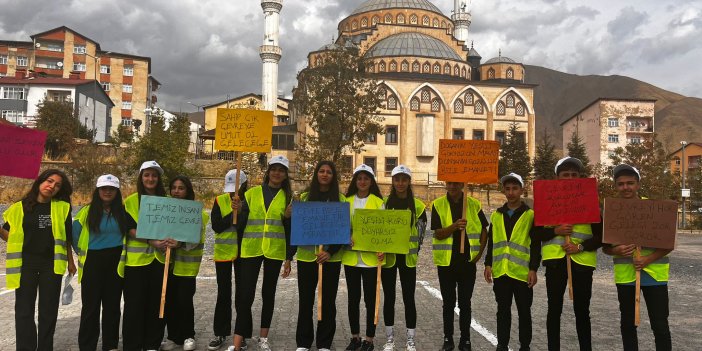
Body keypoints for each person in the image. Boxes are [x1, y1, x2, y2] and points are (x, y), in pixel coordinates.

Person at [1, 169, 75, 351]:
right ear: (40, 181)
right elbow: (8, 236)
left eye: (57, 185)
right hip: (26, 265)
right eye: (49, 181)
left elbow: (66, 238)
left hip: (51, 265)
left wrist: (71, 261)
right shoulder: (19, 207)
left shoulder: (62, 208)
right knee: (24, 311)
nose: (52, 186)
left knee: (48, 312)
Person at [534, 157, 602, 351]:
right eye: (566, 175)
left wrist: (580, 247)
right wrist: (555, 231)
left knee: (582, 311)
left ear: (580, 177)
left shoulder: (590, 202)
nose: (570, 178)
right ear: (557, 178)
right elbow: (535, 233)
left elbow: (601, 237)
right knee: (554, 310)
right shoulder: (546, 201)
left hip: (582, 264)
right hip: (555, 263)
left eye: (574, 175)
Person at [603, 164, 672, 351]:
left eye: (630, 183)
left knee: (660, 325)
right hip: (626, 277)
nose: (626, 187)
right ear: (616, 186)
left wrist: (648, 259)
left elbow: (668, 244)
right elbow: (605, 248)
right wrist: (616, 251)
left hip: (655, 276)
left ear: (638, 184)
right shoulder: (611, 211)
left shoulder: (654, 208)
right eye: (621, 184)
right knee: (627, 324)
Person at [230, 155, 294, 351]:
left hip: (274, 251)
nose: (277, 173)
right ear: (268, 172)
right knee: (245, 295)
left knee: (269, 293)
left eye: (281, 170)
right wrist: (239, 211)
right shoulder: (251, 194)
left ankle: (263, 338)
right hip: (251, 249)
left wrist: (289, 257)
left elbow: (291, 229)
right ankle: (238, 341)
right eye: (274, 169)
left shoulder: (289, 198)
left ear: (285, 175)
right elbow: (239, 226)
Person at [122, 161, 178, 351]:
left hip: (160, 260)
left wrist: (172, 242)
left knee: (157, 304)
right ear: (141, 177)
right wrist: (152, 241)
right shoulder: (130, 201)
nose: (150, 179)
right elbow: (129, 228)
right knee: (134, 305)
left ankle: (152, 343)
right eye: (147, 175)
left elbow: (174, 228)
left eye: (154, 175)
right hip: (136, 263)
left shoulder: (166, 201)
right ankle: (133, 345)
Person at [483, 173, 540, 351]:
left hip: (522, 272)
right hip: (501, 272)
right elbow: (492, 242)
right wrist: (488, 264)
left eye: (515, 188)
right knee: (503, 312)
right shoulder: (497, 215)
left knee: (524, 312)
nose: (511, 192)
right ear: (503, 191)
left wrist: (533, 269)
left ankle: (525, 346)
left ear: (521, 190)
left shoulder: (530, 215)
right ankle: (502, 345)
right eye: (507, 189)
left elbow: (536, 244)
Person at [431, 180, 488, 351]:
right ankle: (448, 339)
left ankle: (466, 340)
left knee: (465, 303)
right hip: (446, 263)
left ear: (462, 184)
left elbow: (484, 229)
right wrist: (454, 227)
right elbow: (438, 234)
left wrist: (479, 253)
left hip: (467, 263)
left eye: (456, 183)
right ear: (446, 184)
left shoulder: (473, 204)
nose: (453, 186)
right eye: (450, 183)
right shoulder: (438, 204)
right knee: (448, 303)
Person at [294, 161, 345, 351]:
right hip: (307, 258)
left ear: (333, 176)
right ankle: (303, 342)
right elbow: (295, 229)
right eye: (321, 171)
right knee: (305, 300)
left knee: (328, 301)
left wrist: (329, 252)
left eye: (329, 172)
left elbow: (343, 230)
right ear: (316, 174)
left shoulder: (341, 199)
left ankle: (324, 342)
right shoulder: (304, 198)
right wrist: (288, 215)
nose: (324, 175)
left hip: (330, 259)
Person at [72, 174, 127, 351]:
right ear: (98, 190)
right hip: (93, 263)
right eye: (104, 188)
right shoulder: (86, 212)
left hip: (115, 262)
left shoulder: (122, 212)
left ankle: (110, 345)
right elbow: (74, 236)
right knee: (91, 308)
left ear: (117, 191)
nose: (107, 191)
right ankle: (87, 346)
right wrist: (82, 255)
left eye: (111, 189)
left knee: (112, 307)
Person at [380, 165, 427, 351]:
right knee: (389, 298)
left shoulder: (419, 206)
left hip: (408, 259)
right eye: (397, 179)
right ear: (393, 181)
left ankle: (410, 340)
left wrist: (414, 250)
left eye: (404, 179)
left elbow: (421, 235)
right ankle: (389, 339)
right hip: (389, 258)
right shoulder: (384, 204)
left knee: (409, 298)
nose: (400, 183)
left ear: (409, 182)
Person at [160, 176, 209, 351]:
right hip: (168, 265)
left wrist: (179, 244)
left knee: (184, 301)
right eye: (174, 187)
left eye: (181, 188)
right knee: (170, 301)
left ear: (187, 191)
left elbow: (196, 237)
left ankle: (189, 335)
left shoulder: (197, 213)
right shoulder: (166, 211)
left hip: (187, 267)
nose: (177, 191)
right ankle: (174, 336)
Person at [343, 164, 385, 351]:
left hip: (370, 259)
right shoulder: (347, 201)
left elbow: (385, 230)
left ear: (371, 181)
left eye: (366, 178)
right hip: (351, 258)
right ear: (355, 181)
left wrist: (383, 248)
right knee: (353, 299)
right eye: (359, 178)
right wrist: (346, 238)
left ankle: (369, 339)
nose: (362, 182)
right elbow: (341, 226)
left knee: (370, 300)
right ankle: (355, 337)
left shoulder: (378, 202)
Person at [209, 169, 249, 351]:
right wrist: (231, 216)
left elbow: (246, 226)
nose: (233, 193)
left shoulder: (249, 202)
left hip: (244, 253)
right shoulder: (219, 200)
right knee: (223, 293)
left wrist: (241, 212)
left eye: (237, 189)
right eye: (231, 189)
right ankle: (220, 332)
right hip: (223, 253)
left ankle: (243, 334)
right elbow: (216, 226)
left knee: (243, 295)